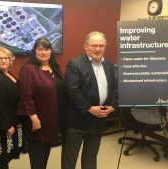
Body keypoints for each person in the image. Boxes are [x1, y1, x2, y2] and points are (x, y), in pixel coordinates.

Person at [61, 31, 117, 169]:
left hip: (98, 121)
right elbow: (72, 90)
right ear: (85, 46)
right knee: (70, 159)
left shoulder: (109, 65)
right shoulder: (75, 64)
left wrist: (112, 106)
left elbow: (115, 88)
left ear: (105, 47)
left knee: (90, 158)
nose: (98, 49)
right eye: (94, 45)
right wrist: (90, 109)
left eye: (101, 45)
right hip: (77, 122)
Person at [17, 37, 65, 169]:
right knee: (38, 160)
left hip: (51, 121)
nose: (44, 52)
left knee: (44, 157)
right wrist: (33, 117)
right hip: (37, 122)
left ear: (51, 51)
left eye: (47, 49)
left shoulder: (54, 67)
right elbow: (25, 96)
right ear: (35, 51)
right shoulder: (29, 69)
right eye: (40, 49)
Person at [0, 47, 23, 169]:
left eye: (6, 58)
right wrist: (7, 125)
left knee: (7, 157)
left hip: (12, 121)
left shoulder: (6, 73)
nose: (4, 60)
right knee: (1, 159)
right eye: (0, 58)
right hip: (4, 126)